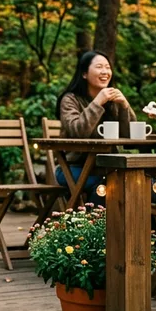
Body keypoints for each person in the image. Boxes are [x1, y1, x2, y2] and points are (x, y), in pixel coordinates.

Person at [55, 50, 136, 205]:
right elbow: (78, 132)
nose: (105, 71)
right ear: (84, 74)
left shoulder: (112, 101)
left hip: (106, 167)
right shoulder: (70, 100)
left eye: (107, 67)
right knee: (109, 184)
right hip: (72, 169)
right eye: (99, 67)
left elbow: (129, 138)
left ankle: (126, 228)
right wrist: (97, 102)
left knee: (135, 180)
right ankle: (95, 227)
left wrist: (125, 106)